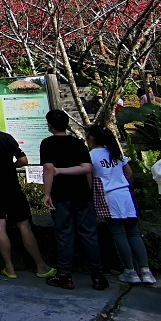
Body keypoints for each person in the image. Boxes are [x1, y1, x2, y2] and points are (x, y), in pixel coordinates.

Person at [0, 104, 56, 280]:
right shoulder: (6, 138)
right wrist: (10, 166)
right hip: (11, 186)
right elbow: (23, 160)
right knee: (24, 225)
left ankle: (10, 268)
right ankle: (41, 266)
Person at [40, 109, 109, 291]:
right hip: (82, 194)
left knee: (64, 234)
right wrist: (89, 192)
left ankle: (65, 276)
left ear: (51, 125)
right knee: (89, 233)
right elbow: (87, 168)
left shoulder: (47, 144)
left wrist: (47, 194)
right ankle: (98, 276)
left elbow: (49, 170)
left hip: (60, 195)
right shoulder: (78, 144)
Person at [86, 124, 155, 285]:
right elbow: (129, 173)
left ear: (92, 138)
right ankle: (146, 271)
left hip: (109, 197)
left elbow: (89, 179)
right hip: (126, 195)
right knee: (133, 233)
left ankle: (130, 271)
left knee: (119, 234)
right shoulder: (116, 153)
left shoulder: (91, 156)